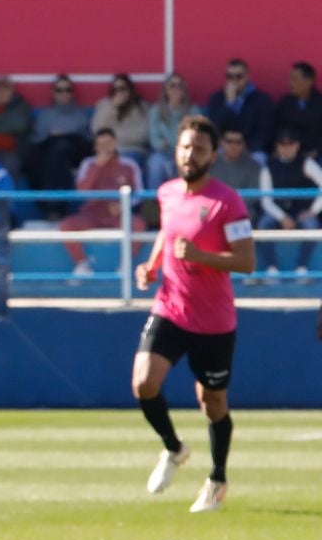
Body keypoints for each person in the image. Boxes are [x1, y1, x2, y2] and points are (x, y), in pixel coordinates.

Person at [132, 115, 256, 513]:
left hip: (214, 322)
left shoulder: (226, 202)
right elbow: (167, 233)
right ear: (176, 150)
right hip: (170, 306)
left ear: (212, 156)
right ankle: (173, 448)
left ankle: (217, 480)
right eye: (185, 147)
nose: (190, 154)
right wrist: (152, 265)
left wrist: (200, 256)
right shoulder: (167, 193)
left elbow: (247, 260)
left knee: (213, 404)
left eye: (199, 149)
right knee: (143, 383)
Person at [59, 130, 143, 276]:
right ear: (95, 147)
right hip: (92, 214)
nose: (105, 148)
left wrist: (124, 205)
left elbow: (139, 194)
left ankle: (125, 265)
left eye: (109, 144)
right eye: (101, 145)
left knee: (138, 224)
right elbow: (81, 192)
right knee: (67, 225)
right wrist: (97, 167)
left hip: (119, 215)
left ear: (116, 144)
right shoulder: (88, 164)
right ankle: (82, 264)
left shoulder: (129, 165)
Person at [257, 128, 322, 276]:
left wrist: (312, 211)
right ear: (277, 146)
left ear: (297, 145)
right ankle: (272, 268)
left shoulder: (306, 163)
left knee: (312, 225)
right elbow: (266, 200)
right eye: (282, 144)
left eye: (290, 143)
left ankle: (302, 268)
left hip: (301, 212)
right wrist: (282, 217)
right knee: (263, 224)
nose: (286, 148)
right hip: (277, 211)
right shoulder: (269, 166)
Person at [27, 76, 91, 212]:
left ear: (72, 93)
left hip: (72, 154)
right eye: (59, 90)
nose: (63, 93)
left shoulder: (80, 115)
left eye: (67, 90)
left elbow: (86, 142)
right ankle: (48, 205)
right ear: (53, 92)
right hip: (48, 155)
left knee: (61, 148)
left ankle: (56, 207)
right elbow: (37, 141)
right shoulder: (45, 116)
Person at [208, 58, 273, 161]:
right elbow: (213, 126)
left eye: (238, 76)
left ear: (247, 77)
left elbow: (264, 131)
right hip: (224, 148)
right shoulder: (217, 98)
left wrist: (243, 148)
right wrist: (229, 104)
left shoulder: (261, 99)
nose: (234, 81)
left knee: (259, 159)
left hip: (251, 149)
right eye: (230, 76)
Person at [91, 74, 150, 173]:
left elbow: (143, 136)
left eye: (122, 88)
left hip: (132, 150)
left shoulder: (140, 107)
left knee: (126, 161)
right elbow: (96, 130)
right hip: (106, 152)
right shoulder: (105, 106)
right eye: (115, 89)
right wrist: (113, 108)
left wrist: (114, 139)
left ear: (130, 90)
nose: (119, 92)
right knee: (98, 163)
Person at [147, 73, 199, 188]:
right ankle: (154, 200)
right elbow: (155, 140)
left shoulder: (193, 110)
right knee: (156, 163)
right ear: (166, 90)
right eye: (172, 86)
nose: (176, 89)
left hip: (187, 151)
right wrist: (169, 143)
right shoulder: (156, 111)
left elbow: (195, 136)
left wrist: (174, 143)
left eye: (179, 86)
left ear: (184, 90)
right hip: (163, 152)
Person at [275, 61, 322, 158]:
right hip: (289, 152)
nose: (290, 83)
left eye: (295, 79)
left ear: (309, 81)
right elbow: (278, 128)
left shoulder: (319, 103)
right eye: (290, 79)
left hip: (316, 153)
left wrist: (317, 150)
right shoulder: (284, 103)